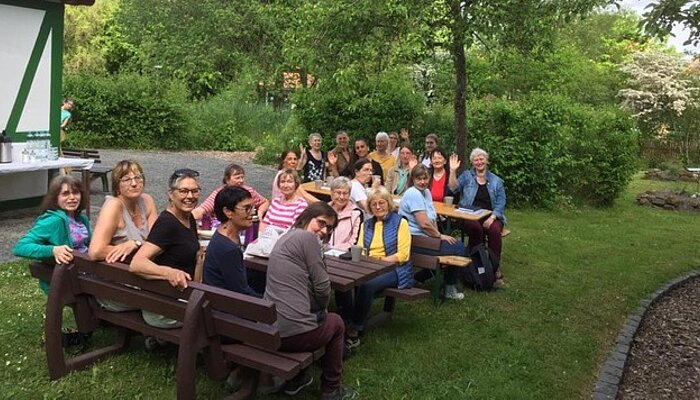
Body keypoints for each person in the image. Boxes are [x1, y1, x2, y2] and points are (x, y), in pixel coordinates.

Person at [264, 202, 356, 400]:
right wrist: (323, 309)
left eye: (329, 228)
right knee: (336, 322)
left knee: (310, 317)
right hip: (290, 336)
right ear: (306, 218)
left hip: (269, 331)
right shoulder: (307, 239)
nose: (324, 231)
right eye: (321, 223)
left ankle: (297, 380)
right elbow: (323, 287)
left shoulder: (285, 237)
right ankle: (331, 389)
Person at [13, 174, 92, 345]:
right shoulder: (53, 220)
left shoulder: (82, 219)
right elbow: (20, 247)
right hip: (70, 279)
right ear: (55, 198)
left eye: (76, 192)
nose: (72, 197)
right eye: (65, 194)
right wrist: (52, 249)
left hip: (87, 273)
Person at [336, 186, 412, 349]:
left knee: (366, 285)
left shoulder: (401, 222)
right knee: (343, 280)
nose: (378, 207)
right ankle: (345, 319)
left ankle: (355, 329)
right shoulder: (367, 224)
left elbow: (403, 254)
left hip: (394, 269)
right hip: (369, 266)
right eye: (374, 204)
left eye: (382, 203)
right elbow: (361, 247)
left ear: (389, 203)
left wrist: (379, 262)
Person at [130, 169, 201, 328]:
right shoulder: (167, 224)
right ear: (171, 194)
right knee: (220, 317)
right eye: (183, 191)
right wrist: (169, 272)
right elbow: (137, 263)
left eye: (195, 191)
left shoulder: (188, 218)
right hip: (162, 308)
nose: (190, 196)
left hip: (179, 298)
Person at [399, 164, 466, 300]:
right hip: (414, 240)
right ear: (412, 179)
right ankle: (449, 288)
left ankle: (419, 277)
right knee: (458, 248)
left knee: (455, 246)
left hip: (426, 238)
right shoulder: (413, 193)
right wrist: (439, 236)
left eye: (425, 178)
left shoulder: (426, 192)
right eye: (419, 179)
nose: (423, 182)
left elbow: (432, 218)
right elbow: (423, 223)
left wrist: (437, 237)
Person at [448, 148, 506, 281]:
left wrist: (492, 218)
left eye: (481, 159)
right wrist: (452, 171)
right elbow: (452, 188)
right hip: (470, 215)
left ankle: (494, 267)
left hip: (491, 216)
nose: (479, 162)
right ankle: (478, 263)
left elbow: (501, 202)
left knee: (495, 231)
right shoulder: (467, 176)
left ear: (486, 160)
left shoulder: (496, 181)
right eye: (476, 159)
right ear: (472, 163)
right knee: (476, 229)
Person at [89, 160, 157, 264]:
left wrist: (136, 244)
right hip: (119, 272)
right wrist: (131, 250)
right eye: (126, 180)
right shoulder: (113, 205)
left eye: (138, 178)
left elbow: (156, 243)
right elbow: (95, 251)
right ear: (117, 186)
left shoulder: (147, 201)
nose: (134, 184)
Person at [202, 186, 261, 298]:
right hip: (225, 308)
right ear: (228, 212)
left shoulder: (221, 234)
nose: (252, 212)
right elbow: (242, 292)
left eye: (253, 207)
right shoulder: (229, 249)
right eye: (246, 208)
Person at [193, 163, 269, 222]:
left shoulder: (249, 191)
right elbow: (203, 209)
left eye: (242, 177)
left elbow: (265, 202)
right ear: (227, 179)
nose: (241, 180)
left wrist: (260, 213)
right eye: (237, 178)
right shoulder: (219, 193)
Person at [259, 169, 308, 234]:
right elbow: (265, 223)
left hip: (286, 239)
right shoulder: (275, 201)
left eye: (289, 182)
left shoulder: (301, 204)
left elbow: (295, 229)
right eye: (282, 182)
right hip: (268, 236)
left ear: (296, 184)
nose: (285, 185)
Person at [327, 177, 363, 251]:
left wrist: (333, 249)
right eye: (338, 193)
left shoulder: (356, 213)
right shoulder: (324, 210)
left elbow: (354, 241)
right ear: (331, 193)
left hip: (343, 254)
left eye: (345, 193)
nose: (341, 197)